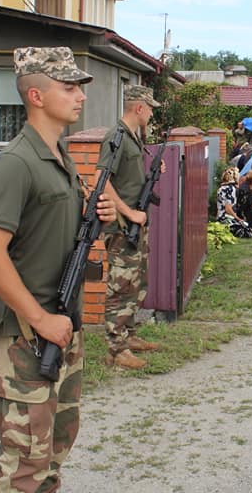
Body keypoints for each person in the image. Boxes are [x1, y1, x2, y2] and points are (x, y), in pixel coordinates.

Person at [0, 46, 117, 492]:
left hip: (61, 327)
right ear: (36, 95)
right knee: (25, 462)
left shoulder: (62, 160)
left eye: (79, 88)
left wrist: (103, 217)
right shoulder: (17, 164)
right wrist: (40, 319)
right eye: (69, 87)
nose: (80, 97)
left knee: (54, 449)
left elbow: (59, 240)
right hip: (25, 336)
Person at [97, 83, 166, 371]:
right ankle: (116, 349)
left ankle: (130, 335)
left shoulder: (133, 138)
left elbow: (128, 177)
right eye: (149, 108)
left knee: (136, 283)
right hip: (122, 226)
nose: (151, 114)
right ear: (139, 108)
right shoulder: (116, 137)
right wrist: (130, 214)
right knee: (120, 286)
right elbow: (103, 179)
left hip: (134, 226)